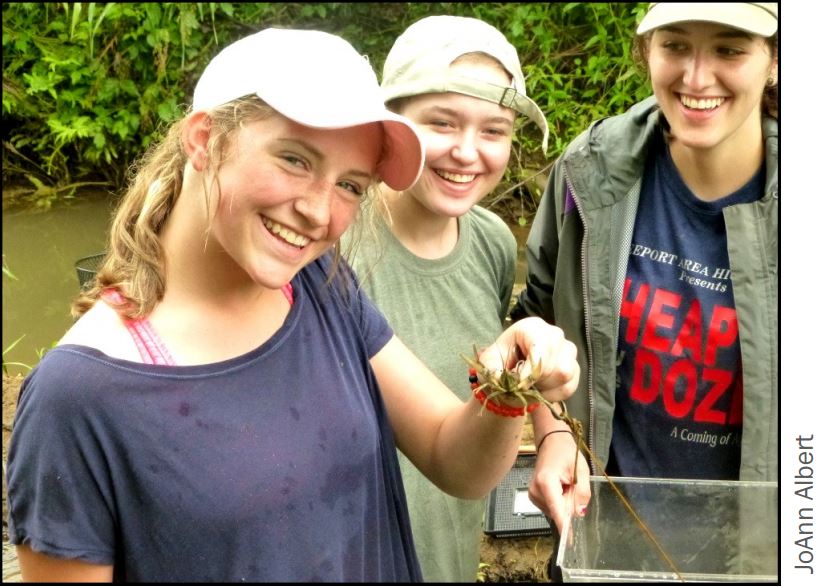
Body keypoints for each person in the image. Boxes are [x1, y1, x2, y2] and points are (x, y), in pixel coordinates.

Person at [5, 27, 580, 583]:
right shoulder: (77, 398)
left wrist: (505, 388)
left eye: (351, 185)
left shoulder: (321, 286)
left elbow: (453, 460)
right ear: (204, 139)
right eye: (295, 160)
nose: (318, 211)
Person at [512, 2, 779, 537]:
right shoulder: (588, 173)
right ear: (647, 51)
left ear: (774, 61)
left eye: (729, 48)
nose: (697, 76)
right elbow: (539, 320)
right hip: (604, 540)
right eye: (675, 45)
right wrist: (553, 436)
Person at [342, 15, 551, 583]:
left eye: (494, 131)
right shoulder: (331, 240)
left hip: (446, 558)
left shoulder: (491, 241)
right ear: (392, 126)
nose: (466, 152)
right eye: (442, 123)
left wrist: (551, 427)